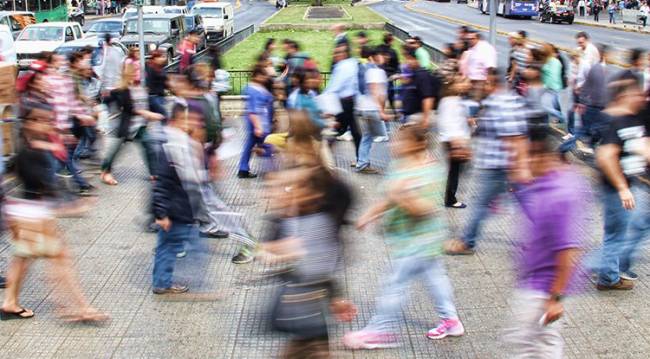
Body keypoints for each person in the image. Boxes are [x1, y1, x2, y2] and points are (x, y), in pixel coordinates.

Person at [343, 123, 464, 350]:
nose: (393, 144)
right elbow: (389, 198)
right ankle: (451, 320)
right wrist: (369, 215)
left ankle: (381, 331)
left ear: (417, 144)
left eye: (400, 141)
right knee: (435, 277)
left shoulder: (429, 170)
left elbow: (426, 208)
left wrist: (403, 196)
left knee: (395, 284)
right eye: (394, 139)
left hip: (420, 239)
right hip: (410, 237)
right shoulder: (399, 165)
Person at [1, 105, 107, 323]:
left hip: (25, 213)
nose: (48, 124)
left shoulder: (33, 148)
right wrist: (72, 206)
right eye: (41, 120)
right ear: (29, 124)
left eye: (49, 120)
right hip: (33, 216)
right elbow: (45, 184)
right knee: (60, 260)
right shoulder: (31, 152)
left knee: (23, 260)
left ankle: (10, 302)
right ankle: (79, 308)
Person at [503, 124, 588, 358]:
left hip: (542, 289)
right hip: (538, 284)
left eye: (523, 157)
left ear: (538, 156)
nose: (520, 163)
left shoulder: (558, 195)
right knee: (543, 345)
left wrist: (555, 299)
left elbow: (569, 251)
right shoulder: (556, 181)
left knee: (526, 346)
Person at [445, 69, 529, 255]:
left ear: (492, 84)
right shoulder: (501, 100)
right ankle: (543, 238)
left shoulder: (501, 103)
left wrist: (518, 167)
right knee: (525, 203)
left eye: (484, 83)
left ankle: (467, 242)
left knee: (481, 204)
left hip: (499, 166)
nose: (479, 86)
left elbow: (514, 137)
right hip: (500, 165)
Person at [594, 73, 649, 290]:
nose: (641, 97)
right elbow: (606, 156)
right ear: (625, 95)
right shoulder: (615, 120)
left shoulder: (632, 119)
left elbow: (642, 148)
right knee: (616, 235)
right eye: (636, 93)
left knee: (620, 233)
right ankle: (608, 278)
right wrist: (623, 188)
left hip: (629, 185)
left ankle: (609, 271)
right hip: (617, 190)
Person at [152, 102, 205, 295]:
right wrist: (161, 213)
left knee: (169, 246)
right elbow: (161, 183)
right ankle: (161, 283)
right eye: (185, 120)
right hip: (174, 209)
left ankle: (161, 282)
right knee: (169, 246)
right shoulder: (171, 147)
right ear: (174, 121)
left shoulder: (181, 143)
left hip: (180, 207)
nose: (189, 124)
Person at [100, 64, 164, 186]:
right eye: (135, 71)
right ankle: (105, 171)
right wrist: (146, 113)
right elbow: (128, 108)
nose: (139, 74)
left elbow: (146, 104)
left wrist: (154, 114)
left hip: (139, 126)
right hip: (126, 126)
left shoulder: (141, 88)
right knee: (116, 150)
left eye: (139, 71)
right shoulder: (123, 89)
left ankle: (154, 173)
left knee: (149, 146)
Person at [437, 76, 472, 209]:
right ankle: (450, 199)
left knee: (457, 170)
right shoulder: (450, 101)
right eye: (462, 82)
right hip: (453, 141)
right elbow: (447, 123)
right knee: (455, 171)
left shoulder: (454, 100)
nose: (466, 85)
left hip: (456, 140)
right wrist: (456, 144)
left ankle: (450, 196)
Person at [324, 44, 361, 163]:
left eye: (338, 53)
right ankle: (361, 159)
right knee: (344, 131)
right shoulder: (352, 63)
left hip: (345, 103)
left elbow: (334, 86)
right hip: (345, 102)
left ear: (344, 54)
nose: (335, 56)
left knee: (350, 131)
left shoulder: (343, 66)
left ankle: (361, 159)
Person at [355, 48, 389, 174]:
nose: (385, 58)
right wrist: (381, 111)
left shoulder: (368, 69)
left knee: (367, 136)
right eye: (382, 55)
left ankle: (362, 162)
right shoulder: (376, 71)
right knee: (379, 135)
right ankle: (362, 163)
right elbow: (375, 90)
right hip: (371, 109)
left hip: (364, 107)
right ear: (375, 56)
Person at [238, 65, 274, 179]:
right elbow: (253, 110)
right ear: (257, 75)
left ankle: (243, 169)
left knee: (250, 145)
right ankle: (269, 171)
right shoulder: (254, 90)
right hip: (259, 123)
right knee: (267, 145)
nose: (266, 77)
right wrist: (258, 127)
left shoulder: (255, 88)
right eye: (263, 75)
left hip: (259, 122)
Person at [400, 47, 437, 128]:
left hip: (418, 117)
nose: (407, 62)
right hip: (412, 116)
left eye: (410, 59)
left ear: (418, 60)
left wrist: (426, 119)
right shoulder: (414, 74)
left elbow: (428, 98)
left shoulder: (422, 76)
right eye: (406, 59)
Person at [459, 31, 497, 99]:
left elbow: (490, 67)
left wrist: (488, 83)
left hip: (480, 82)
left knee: (476, 102)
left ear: (478, 38)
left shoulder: (485, 48)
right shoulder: (472, 48)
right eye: (468, 39)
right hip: (470, 81)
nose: (469, 41)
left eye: (472, 39)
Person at [541, 43, 566, 123]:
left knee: (545, 107)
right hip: (551, 87)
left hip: (553, 88)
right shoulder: (547, 60)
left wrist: (545, 86)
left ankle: (563, 118)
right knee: (550, 106)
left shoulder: (554, 61)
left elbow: (553, 76)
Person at [376, 33, 400, 115]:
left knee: (380, 94)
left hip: (379, 74)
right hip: (389, 76)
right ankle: (393, 110)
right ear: (391, 41)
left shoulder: (378, 49)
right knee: (390, 95)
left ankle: (380, 111)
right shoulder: (393, 52)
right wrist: (397, 73)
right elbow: (397, 65)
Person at [145, 49, 169, 119]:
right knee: (164, 116)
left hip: (160, 96)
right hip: (154, 96)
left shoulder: (160, 67)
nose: (163, 59)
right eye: (161, 57)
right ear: (155, 58)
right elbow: (148, 82)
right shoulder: (150, 68)